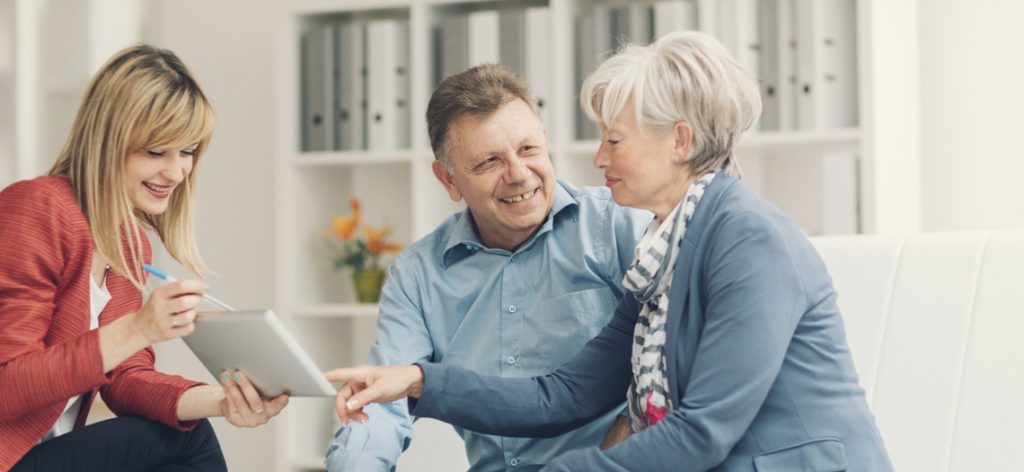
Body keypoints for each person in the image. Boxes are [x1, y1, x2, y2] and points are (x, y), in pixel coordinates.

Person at [326, 31, 894, 471]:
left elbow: (703, 431)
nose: (598, 159)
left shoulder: (748, 239)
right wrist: (419, 380)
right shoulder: (660, 256)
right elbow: (562, 395)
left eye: (614, 140)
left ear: (679, 141)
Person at [323, 64, 651, 471]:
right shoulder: (418, 274)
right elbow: (383, 407)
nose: (517, 174)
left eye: (528, 149)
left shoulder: (622, 225)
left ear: (546, 144)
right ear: (448, 179)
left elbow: (665, 379)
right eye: (489, 162)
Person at [0, 45, 288, 471]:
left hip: (47, 456)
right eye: (156, 152)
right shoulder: (37, 208)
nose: (175, 173)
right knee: (188, 446)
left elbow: (127, 380)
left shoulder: (128, 243)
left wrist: (222, 401)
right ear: (107, 143)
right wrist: (138, 327)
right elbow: (8, 387)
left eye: (187, 151)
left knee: (187, 432)